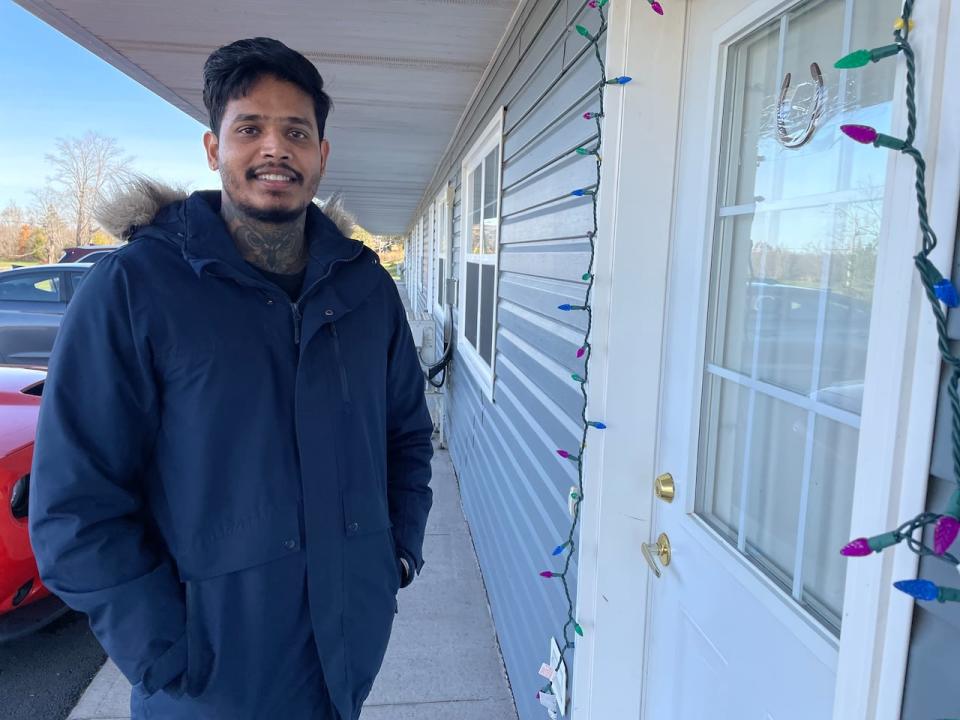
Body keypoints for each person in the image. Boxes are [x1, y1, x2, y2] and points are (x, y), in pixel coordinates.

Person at [28, 37, 434, 720]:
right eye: (250, 128)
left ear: (321, 155)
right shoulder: (135, 288)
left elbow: (407, 438)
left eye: (296, 131)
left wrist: (393, 559)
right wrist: (163, 648)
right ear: (215, 150)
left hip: (342, 659)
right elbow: (74, 502)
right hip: (206, 680)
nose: (275, 148)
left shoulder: (365, 291)